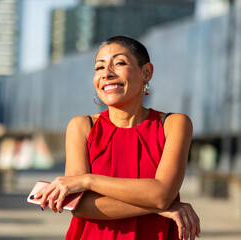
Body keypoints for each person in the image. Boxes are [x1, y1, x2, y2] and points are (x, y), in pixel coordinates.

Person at [32, 36, 201, 240]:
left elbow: (161, 194)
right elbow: (80, 206)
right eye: (99, 68)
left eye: (120, 63)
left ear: (146, 72)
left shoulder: (174, 124)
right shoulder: (82, 126)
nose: (107, 74)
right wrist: (159, 207)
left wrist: (87, 181)